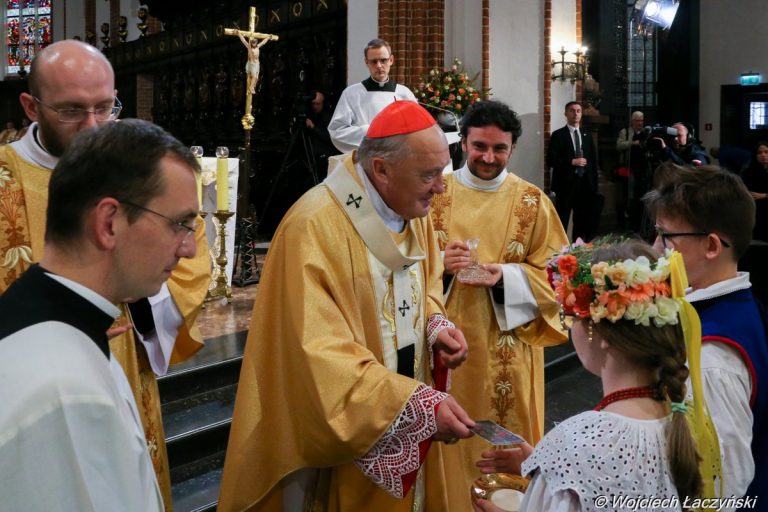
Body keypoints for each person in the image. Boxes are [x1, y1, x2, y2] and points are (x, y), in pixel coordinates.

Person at [218, 101, 475, 512]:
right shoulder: (313, 226)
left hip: (407, 403)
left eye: (442, 172)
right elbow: (316, 352)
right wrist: (412, 406)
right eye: (429, 175)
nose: (441, 188)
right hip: (348, 442)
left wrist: (434, 325)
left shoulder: (413, 209)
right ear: (381, 170)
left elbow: (424, 283)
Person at [0, 39, 211, 510]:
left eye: (105, 108)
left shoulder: (141, 169)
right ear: (32, 107)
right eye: (72, 111)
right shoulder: (6, 176)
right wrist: (72, 310)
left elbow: (191, 261)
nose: (93, 126)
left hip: (121, 358)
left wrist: (127, 300)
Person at [472, 239, 711, 511]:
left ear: (603, 334)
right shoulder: (685, 420)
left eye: (572, 316)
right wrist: (547, 468)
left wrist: (556, 467)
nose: (570, 327)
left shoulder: (574, 445)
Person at [428, 99, 568, 509]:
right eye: (479, 146)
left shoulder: (532, 201)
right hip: (444, 348)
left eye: (499, 149)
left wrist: (506, 276)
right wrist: (441, 267)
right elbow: (400, 267)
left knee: (505, 453)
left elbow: (560, 276)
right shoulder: (434, 195)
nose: (488, 157)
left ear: (512, 148)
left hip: (508, 353)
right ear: (463, 144)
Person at [645, 163, 767, 504]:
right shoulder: (740, 304)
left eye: (666, 236)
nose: (655, 248)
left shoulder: (712, 357)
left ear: (712, 246)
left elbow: (722, 483)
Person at [328, 38, 417, 153]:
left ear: (391, 60)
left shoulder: (404, 93)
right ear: (366, 62)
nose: (379, 66)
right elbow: (336, 131)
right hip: (367, 156)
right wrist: (369, 131)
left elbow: (416, 129)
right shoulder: (351, 94)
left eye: (383, 60)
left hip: (398, 156)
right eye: (374, 61)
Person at [547, 101, 600, 242]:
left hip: (584, 185)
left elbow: (593, 162)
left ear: (581, 114)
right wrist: (572, 162)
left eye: (578, 111)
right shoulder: (558, 135)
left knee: (581, 221)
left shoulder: (587, 135)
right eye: (572, 111)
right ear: (566, 114)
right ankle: (560, 248)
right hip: (565, 185)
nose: (575, 114)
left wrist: (594, 186)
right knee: (562, 220)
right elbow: (551, 160)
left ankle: (578, 248)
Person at [616, 110, 651, 233]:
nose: (640, 123)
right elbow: (619, 146)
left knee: (642, 195)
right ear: (632, 121)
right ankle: (628, 222)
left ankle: (640, 223)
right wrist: (632, 143)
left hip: (643, 169)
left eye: (642, 121)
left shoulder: (646, 132)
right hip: (629, 168)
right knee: (630, 196)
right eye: (637, 121)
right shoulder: (625, 132)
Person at [304, 90, 340, 179]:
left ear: (323, 104)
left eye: (317, 104)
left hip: (324, 156)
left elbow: (330, 137)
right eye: (313, 104)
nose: (315, 106)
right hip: (312, 155)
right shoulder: (310, 115)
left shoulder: (328, 117)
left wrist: (313, 127)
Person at [740, 141, 768, 242]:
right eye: (759, 153)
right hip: (755, 211)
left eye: (766, 152)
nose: (763, 155)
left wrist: (765, 195)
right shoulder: (748, 172)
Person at [234, 28, 271, 95]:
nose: (254, 43)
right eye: (253, 42)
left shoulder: (258, 47)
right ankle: (251, 87)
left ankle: (251, 88)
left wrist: (268, 38)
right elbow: (243, 41)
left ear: (256, 43)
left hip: (256, 63)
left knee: (256, 77)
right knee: (253, 76)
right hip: (252, 63)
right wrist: (239, 34)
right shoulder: (249, 47)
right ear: (251, 43)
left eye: (255, 42)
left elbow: (263, 42)